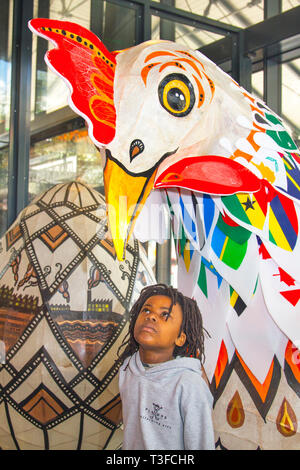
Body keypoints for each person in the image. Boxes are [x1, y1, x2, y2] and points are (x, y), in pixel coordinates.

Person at [117, 283, 215, 450]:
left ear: (180, 338)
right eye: (146, 310)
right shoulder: (128, 368)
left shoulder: (189, 384)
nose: (151, 317)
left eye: (164, 315)